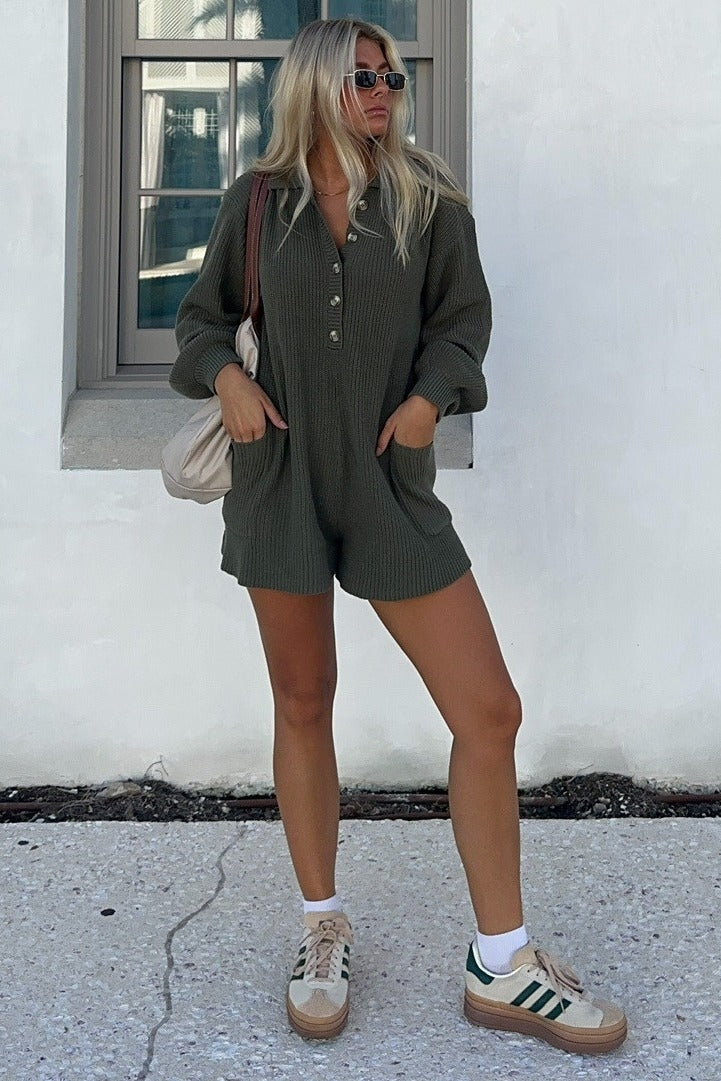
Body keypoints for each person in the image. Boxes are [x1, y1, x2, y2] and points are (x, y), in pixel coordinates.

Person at [169, 17, 627, 1055]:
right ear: (314, 86)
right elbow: (199, 322)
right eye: (361, 76)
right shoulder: (257, 202)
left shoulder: (428, 199)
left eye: (390, 76)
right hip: (281, 483)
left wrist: (428, 402)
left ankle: (500, 961)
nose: (381, 91)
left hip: (389, 489)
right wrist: (226, 376)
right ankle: (320, 928)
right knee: (302, 700)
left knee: (488, 711)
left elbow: (462, 324)